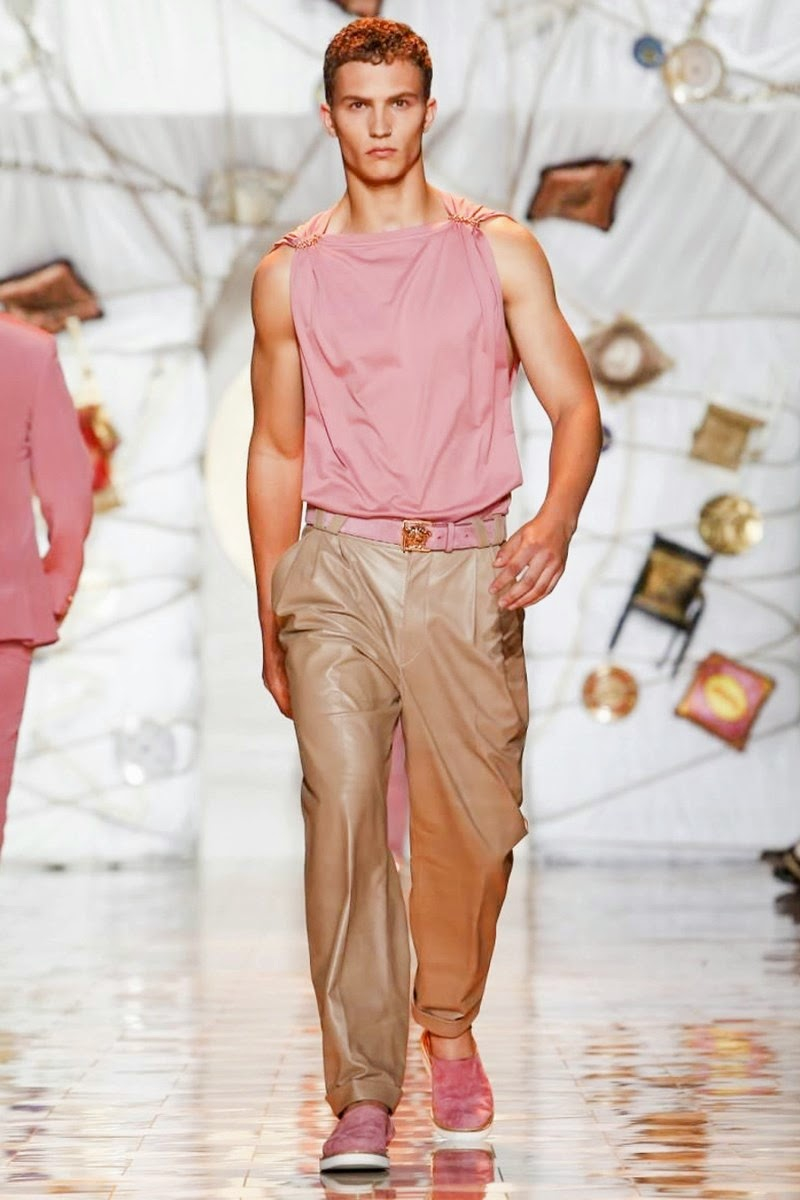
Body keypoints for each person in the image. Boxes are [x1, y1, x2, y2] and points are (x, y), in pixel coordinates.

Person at [247, 17, 602, 1175]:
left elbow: (574, 405)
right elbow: (277, 448)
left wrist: (553, 520)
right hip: (337, 569)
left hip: (467, 567)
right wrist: (271, 608)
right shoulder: (289, 274)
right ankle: (360, 1091)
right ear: (329, 117)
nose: (379, 125)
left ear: (426, 109)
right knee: (343, 813)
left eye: (397, 102)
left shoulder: (495, 251)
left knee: (471, 829)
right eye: (358, 105)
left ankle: (445, 1021)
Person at [0, 313, 93, 857]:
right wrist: (49, 591)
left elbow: (68, 489)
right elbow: (69, 488)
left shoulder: (29, 351)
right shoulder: (27, 351)